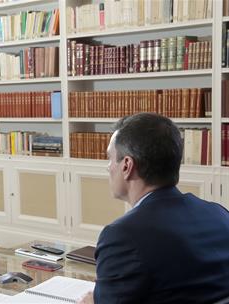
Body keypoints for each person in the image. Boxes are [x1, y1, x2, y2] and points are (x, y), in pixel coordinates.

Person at [79, 113, 229, 304]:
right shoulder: (219, 214)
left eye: (110, 158)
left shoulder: (122, 236)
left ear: (127, 166)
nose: (108, 168)